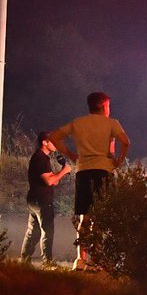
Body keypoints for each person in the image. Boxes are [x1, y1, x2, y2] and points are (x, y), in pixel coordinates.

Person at [50, 92, 131, 271]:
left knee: (84, 216)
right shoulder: (112, 123)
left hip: (84, 170)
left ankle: (80, 259)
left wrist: (71, 155)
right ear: (103, 106)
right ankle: (97, 259)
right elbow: (126, 142)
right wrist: (118, 160)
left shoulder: (78, 122)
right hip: (104, 169)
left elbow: (54, 136)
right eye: (108, 106)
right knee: (101, 217)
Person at [20, 131, 72, 264]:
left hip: (35, 199)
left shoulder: (42, 158)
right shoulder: (40, 158)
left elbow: (53, 180)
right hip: (42, 200)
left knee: (33, 232)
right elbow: (49, 181)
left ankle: (24, 261)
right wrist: (64, 171)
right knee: (47, 231)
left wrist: (59, 174)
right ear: (44, 142)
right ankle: (47, 262)